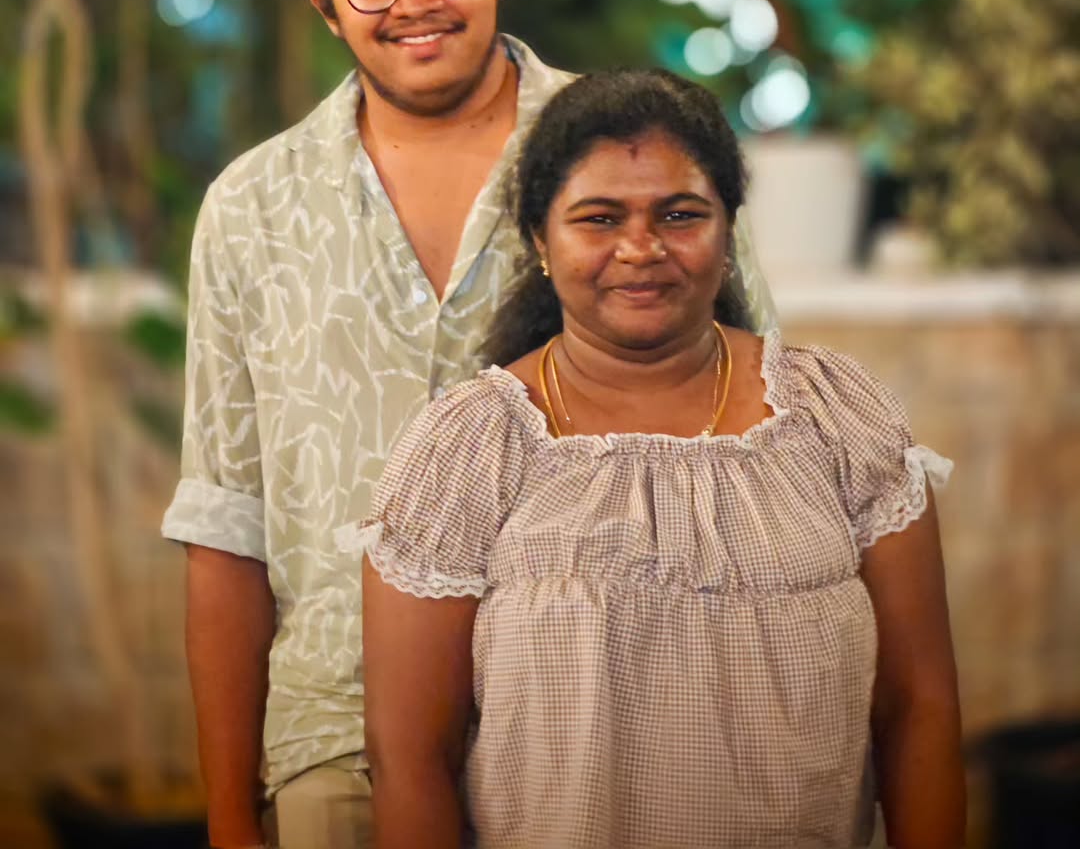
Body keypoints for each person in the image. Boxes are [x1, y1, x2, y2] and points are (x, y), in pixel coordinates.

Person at [161, 0, 777, 849]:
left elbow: (755, 435)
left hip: (612, 725)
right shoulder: (253, 209)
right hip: (339, 741)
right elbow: (229, 526)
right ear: (325, 6)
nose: (416, 0)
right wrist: (230, 819)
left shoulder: (640, 157)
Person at [361, 68, 966, 849]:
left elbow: (918, 707)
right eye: (599, 218)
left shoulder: (835, 415)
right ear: (541, 240)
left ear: (727, 231)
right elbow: (411, 757)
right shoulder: (470, 446)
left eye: (680, 215)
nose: (641, 248)